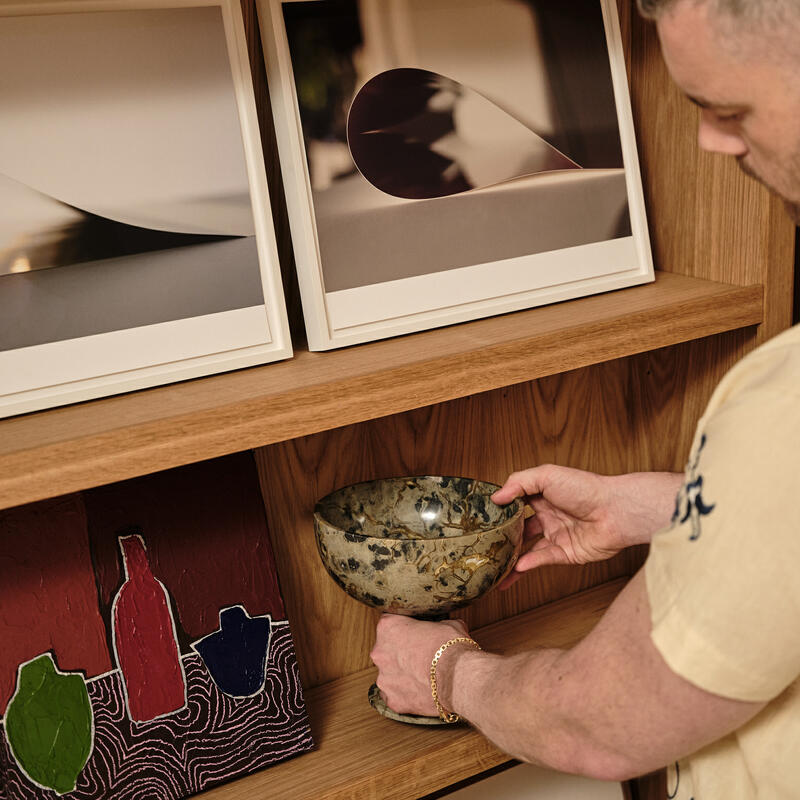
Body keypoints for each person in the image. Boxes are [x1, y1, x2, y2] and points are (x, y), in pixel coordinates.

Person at [370, 1, 800, 797]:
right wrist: (677, 508)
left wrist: (446, 673)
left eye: (730, 109)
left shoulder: (785, 411)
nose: (707, 141)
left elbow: (599, 727)